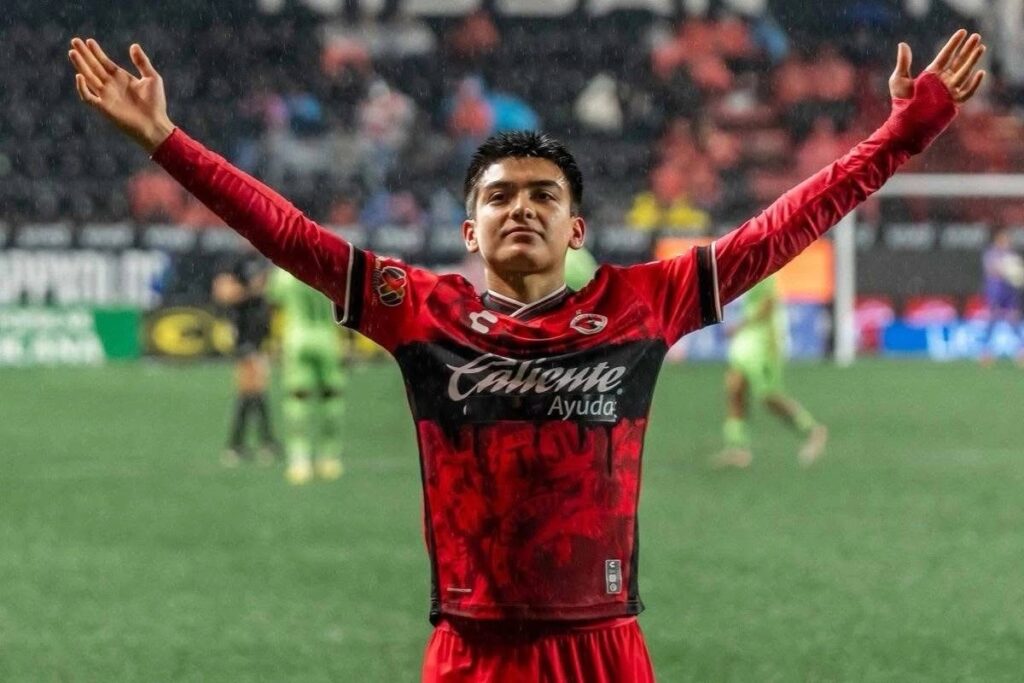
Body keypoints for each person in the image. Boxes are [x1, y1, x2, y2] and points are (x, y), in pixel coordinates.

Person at [70, 30, 984, 682]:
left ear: (575, 226)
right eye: (500, 195)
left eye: (544, 195)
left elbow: (786, 225)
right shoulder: (419, 309)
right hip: (472, 648)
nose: (522, 207)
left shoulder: (642, 302)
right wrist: (166, 142)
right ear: (469, 229)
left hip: (605, 644)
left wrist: (902, 136)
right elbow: (287, 234)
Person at [713, 275, 827, 469]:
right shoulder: (742, 269)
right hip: (746, 341)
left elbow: (768, 305)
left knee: (768, 397)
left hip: (764, 343)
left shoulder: (763, 272)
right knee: (735, 389)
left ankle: (813, 431)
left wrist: (739, 325)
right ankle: (738, 448)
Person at [266, 267, 346, 484]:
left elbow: (274, 303)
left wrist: (274, 340)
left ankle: (299, 460)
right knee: (331, 397)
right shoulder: (333, 271)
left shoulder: (284, 274)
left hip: (297, 338)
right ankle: (329, 457)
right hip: (327, 339)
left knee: (297, 398)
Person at [211, 246, 279, 466]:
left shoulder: (266, 260)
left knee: (253, 390)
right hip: (244, 333)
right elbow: (223, 294)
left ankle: (244, 444)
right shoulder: (233, 261)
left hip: (260, 336)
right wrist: (252, 290)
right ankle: (256, 443)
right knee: (252, 388)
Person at [980, 228, 1024, 365]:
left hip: (1009, 292)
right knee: (993, 320)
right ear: (998, 240)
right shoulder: (991, 254)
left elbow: (1018, 273)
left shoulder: (1012, 255)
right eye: (1004, 239)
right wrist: (1006, 270)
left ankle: (1021, 351)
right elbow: (991, 270)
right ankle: (986, 351)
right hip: (996, 291)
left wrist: (1017, 275)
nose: (1007, 242)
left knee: (1014, 320)